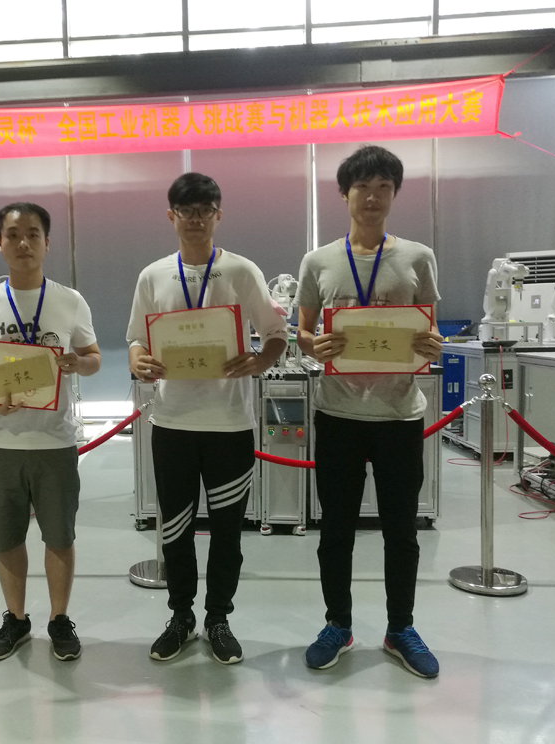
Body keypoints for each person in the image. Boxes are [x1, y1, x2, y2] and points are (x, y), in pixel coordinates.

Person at [294, 145, 444, 678]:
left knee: (402, 530)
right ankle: (338, 624)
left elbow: (429, 327)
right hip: (337, 414)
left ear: (394, 193)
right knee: (335, 529)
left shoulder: (418, 257)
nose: (373, 196)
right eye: (363, 186)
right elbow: (303, 330)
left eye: (384, 186)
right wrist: (313, 345)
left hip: (399, 415)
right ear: (344, 193)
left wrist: (432, 343)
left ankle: (400, 628)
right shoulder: (318, 262)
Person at [127, 173, 287, 665]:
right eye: (186, 210)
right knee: (174, 531)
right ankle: (181, 616)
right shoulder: (153, 275)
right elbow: (136, 339)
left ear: (219, 215)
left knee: (226, 533)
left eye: (205, 210)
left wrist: (259, 361)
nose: (195, 219)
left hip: (229, 425)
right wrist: (138, 361)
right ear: (170, 215)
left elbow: (277, 334)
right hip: (172, 424)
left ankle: (218, 617)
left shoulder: (241, 271)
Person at [0, 203, 101, 662]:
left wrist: (78, 363)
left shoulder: (69, 300)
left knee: (59, 536)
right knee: (6, 538)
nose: (24, 243)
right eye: (14, 234)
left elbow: (94, 357)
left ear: (47, 243)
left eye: (33, 234)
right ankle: (16, 620)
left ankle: (59, 619)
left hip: (54, 440)